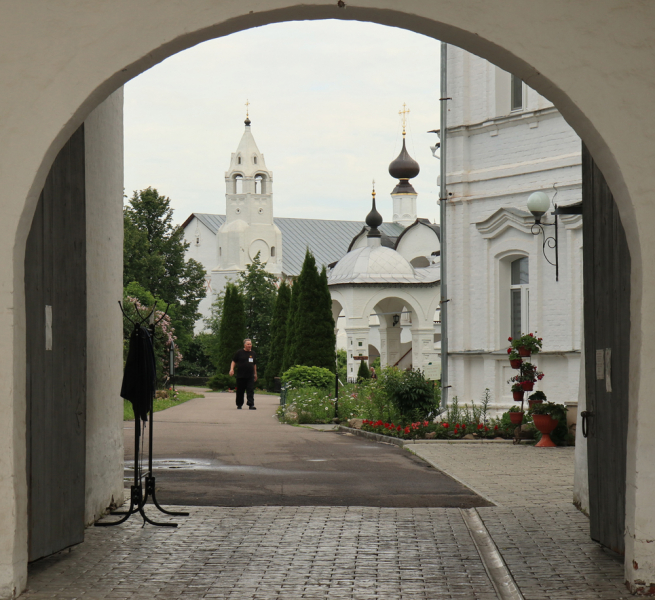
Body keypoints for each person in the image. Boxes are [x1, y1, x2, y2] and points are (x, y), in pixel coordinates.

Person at [229, 338, 257, 410]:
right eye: (248, 344)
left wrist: (255, 374)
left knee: (250, 390)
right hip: (241, 375)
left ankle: (251, 404)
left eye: (250, 344)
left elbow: (254, 364)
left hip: (250, 375)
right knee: (240, 390)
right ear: (244, 345)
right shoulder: (239, 352)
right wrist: (232, 369)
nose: (249, 345)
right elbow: (233, 361)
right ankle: (239, 404)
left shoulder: (253, 353)